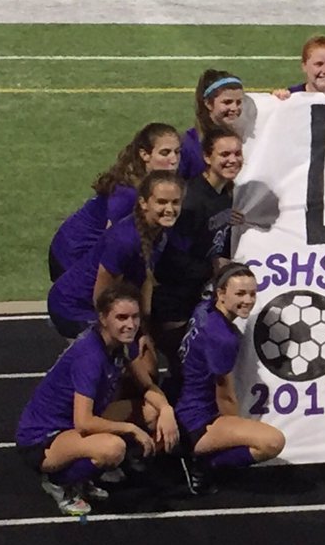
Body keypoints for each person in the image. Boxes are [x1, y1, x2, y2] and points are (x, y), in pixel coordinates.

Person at [16, 284, 177, 515]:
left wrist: (167, 410)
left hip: (72, 424)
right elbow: (84, 422)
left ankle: (83, 470)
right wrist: (130, 429)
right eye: (121, 317)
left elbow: (147, 386)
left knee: (152, 412)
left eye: (134, 317)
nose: (130, 325)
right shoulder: (89, 357)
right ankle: (59, 482)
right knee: (113, 448)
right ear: (103, 318)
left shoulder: (122, 343)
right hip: (42, 437)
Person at [177, 263, 285, 494]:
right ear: (221, 294)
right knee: (272, 442)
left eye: (252, 293)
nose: (248, 300)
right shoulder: (222, 339)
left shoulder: (204, 309)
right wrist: (233, 432)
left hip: (184, 404)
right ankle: (202, 462)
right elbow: (224, 395)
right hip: (197, 420)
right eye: (240, 294)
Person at [152, 127, 243, 398]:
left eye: (237, 153)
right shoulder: (191, 200)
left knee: (193, 371)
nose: (232, 160)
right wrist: (215, 272)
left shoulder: (227, 193)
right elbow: (170, 261)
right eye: (224, 154)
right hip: (175, 303)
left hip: (197, 296)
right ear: (206, 157)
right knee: (188, 372)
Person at [48, 170, 184, 340]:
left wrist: (144, 328)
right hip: (74, 308)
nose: (169, 209)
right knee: (106, 360)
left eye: (175, 202)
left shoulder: (160, 234)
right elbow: (103, 297)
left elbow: (147, 278)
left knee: (145, 361)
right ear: (143, 203)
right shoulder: (125, 240)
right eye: (162, 202)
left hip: (103, 305)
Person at [49, 123, 180, 281]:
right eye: (165, 153)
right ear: (145, 155)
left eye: (177, 152)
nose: (173, 160)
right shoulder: (128, 195)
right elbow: (112, 244)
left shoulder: (152, 182)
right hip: (72, 254)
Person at [180, 70, 244, 180]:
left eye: (238, 102)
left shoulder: (241, 134)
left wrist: (280, 101)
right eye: (227, 102)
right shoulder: (188, 145)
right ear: (208, 103)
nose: (234, 108)